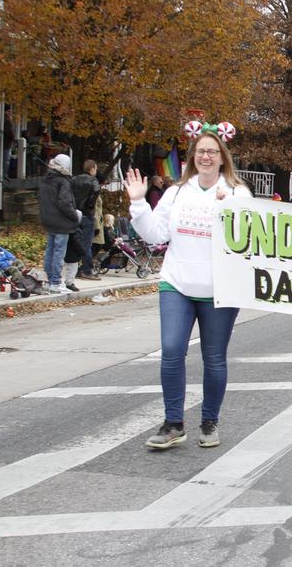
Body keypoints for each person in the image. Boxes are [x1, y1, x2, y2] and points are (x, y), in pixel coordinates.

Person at [126, 122, 251, 450]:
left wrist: (230, 209)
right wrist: (138, 204)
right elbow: (156, 235)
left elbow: (250, 241)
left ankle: (209, 422)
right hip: (177, 284)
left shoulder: (238, 192)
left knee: (214, 358)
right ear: (192, 156)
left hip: (219, 291)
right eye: (200, 151)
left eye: (212, 151)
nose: (206, 157)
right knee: (171, 351)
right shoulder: (176, 193)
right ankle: (173, 423)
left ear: (222, 157)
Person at [39, 154, 81, 294]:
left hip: (49, 219)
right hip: (62, 222)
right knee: (58, 252)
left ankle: (48, 279)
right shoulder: (63, 181)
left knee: (50, 251)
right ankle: (55, 282)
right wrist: (75, 216)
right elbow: (65, 202)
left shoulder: (46, 179)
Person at [71, 159, 100, 280]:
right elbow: (95, 194)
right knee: (87, 243)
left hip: (74, 213)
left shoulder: (74, 179)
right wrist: (90, 208)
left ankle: (75, 268)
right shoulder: (93, 181)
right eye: (96, 168)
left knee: (75, 242)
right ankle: (86, 270)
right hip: (87, 215)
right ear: (92, 168)